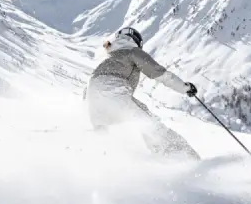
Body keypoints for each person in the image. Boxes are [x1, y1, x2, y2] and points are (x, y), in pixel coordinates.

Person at [85, 26, 200, 159]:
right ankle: (182, 157)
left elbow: (92, 85)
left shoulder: (107, 56)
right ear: (136, 41)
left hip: (91, 98)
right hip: (114, 91)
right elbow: (159, 73)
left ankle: (98, 160)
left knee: (103, 133)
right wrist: (184, 87)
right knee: (149, 122)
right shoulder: (132, 51)